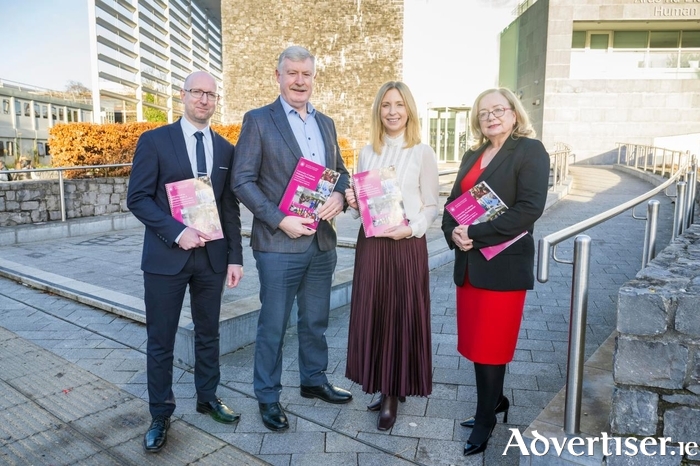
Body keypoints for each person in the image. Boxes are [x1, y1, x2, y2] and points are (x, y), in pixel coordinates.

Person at [232, 45, 353, 432]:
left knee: (316, 320)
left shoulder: (327, 123)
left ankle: (313, 381)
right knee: (273, 325)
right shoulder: (258, 120)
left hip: (321, 243)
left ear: (313, 77)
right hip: (279, 244)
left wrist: (339, 195)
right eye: (292, 73)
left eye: (307, 74)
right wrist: (280, 219)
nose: (300, 81)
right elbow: (242, 181)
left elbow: (341, 172)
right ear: (279, 76)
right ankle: (267, 397)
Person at [127, 71, 244, 453]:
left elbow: (229, 208)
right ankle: (160, 413)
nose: (204, 100)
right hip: (166, 258)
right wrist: (177, 232)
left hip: (211, 258)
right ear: (183, 95)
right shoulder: (154, 141)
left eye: (211, 94)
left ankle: (207, 397)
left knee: (209, 333)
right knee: (161, 339)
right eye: (197, 92)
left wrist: (235, 258)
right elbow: (139, 198)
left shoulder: (226, 150)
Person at [441, 88, 550, 456]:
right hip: (470, 265)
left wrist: (474, 233)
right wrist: (454, 233)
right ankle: (494, 402)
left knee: (492, 345)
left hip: (502, 266)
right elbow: (454, 203)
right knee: (477, 344)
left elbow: (529, 209)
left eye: (498, 110)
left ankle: (485, 417)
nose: (491, 117)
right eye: (483, 112)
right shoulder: (473, 154)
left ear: (514, 113)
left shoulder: (530, 151)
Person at [344, 81, 438, 431]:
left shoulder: (421, 151)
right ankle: (381, 382)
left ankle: (393, 394)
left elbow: (431, 206)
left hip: (405, 244)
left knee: (401, 314)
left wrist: (411, 228)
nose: (393, 111)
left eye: (399, 104)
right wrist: (354, 203)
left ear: (409, 109)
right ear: (378, 110)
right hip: (372, 244)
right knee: (376, 312)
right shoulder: (368, 151)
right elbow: (364, 206)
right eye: (386, 105)